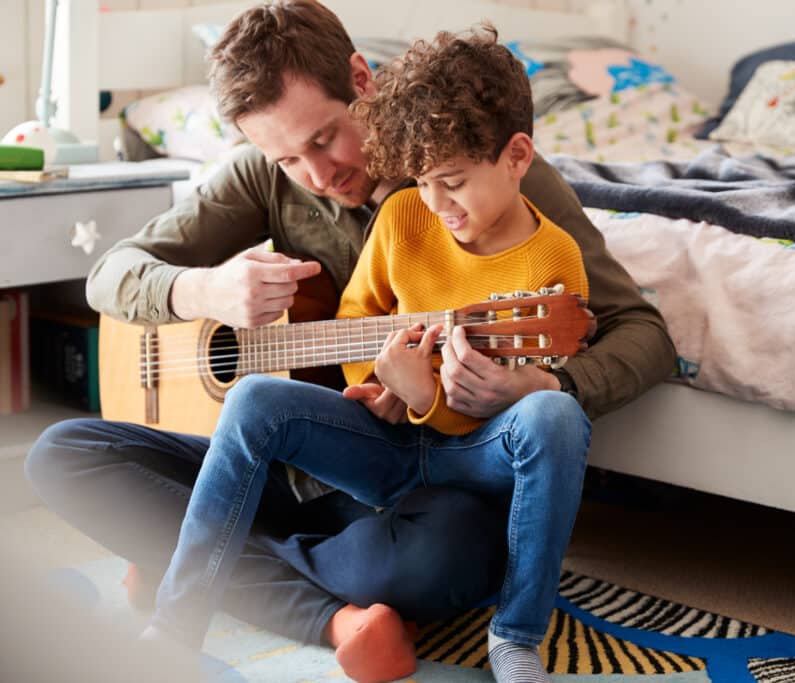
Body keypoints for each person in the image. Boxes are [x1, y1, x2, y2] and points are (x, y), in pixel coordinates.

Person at [24, 0, 674, 670]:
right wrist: (204, 289)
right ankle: (328, 614)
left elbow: (641, 331)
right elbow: (110, 274)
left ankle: (198, 553)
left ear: (362, 80)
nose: (317, 173)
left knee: (440, 562)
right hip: (294, 462)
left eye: (325, 138)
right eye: (287, 158)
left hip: (423, 484)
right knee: (62, 456)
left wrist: (550, 383)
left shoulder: (481, 166)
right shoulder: (264, 175)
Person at [142, 27, 592, 683]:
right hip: (388, 440)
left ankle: (516, 636)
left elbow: (541, 390)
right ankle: (177, 620)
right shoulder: (407, 214)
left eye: (454, 182)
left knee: (556, 416)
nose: (438, 205)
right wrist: (382, 378)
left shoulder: (553, 256)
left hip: (475, 454)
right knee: (249, 399)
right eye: (422, 183)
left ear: (518, 156)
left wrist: (460, 392)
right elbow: (356, 316)